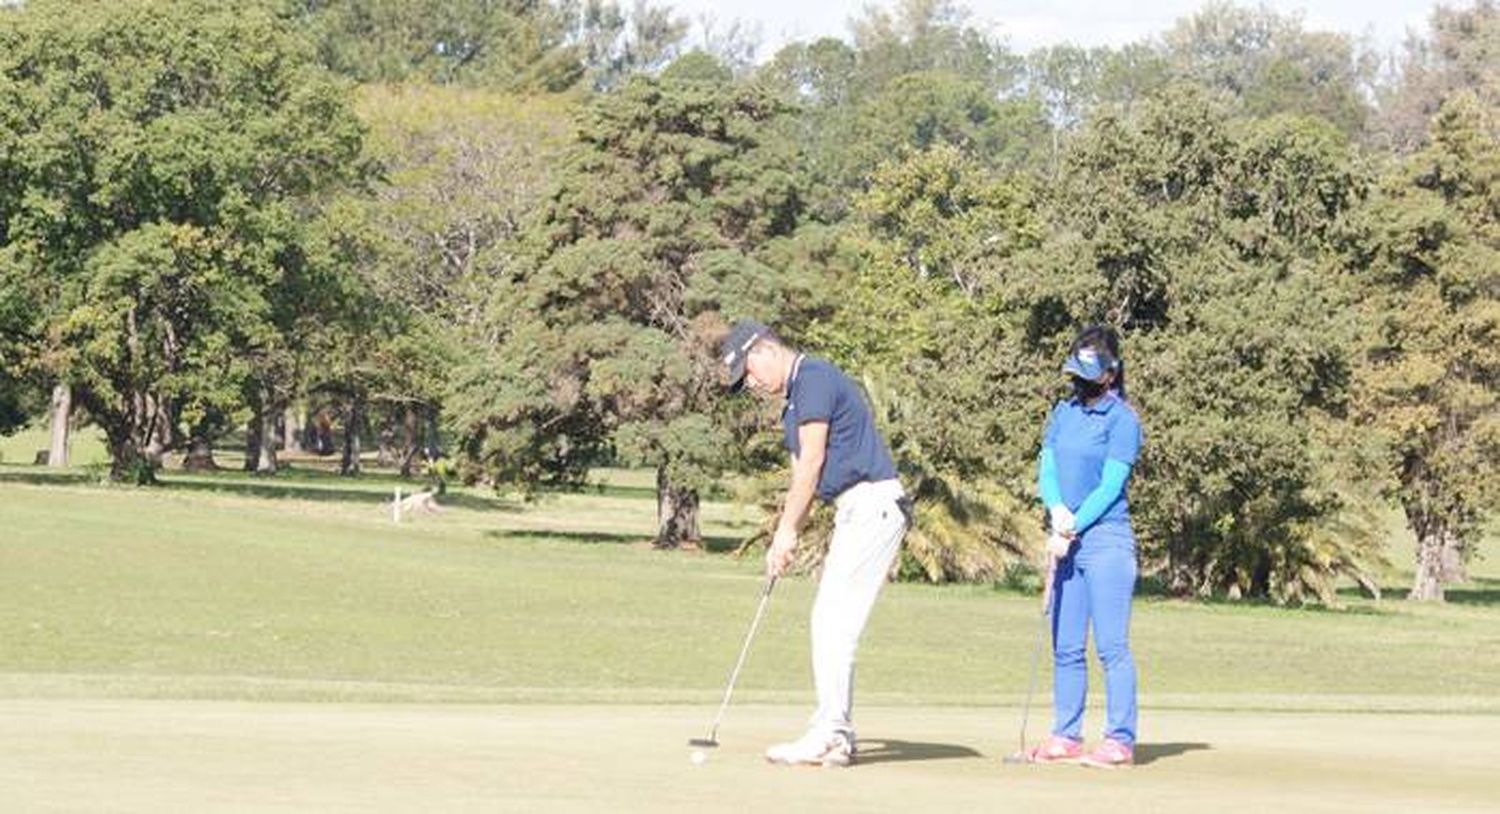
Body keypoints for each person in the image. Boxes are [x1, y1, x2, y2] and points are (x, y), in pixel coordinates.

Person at [719, 319, 910, 768]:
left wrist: (786, 532)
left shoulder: (815, 378)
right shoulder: (793, 403)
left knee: (831, 621)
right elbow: (799, 477)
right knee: (831, 621)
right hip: (855, 510)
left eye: (748, 373)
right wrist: (787, 535)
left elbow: (813, 461)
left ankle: (831, 732)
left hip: (874, 504)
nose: (751, 384)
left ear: (764, 349)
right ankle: (836, 735)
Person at [1029, 325, 1143, 769]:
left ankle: (1119, 739)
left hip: (1107, 540)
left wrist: (1074, 522)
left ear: (1110, 374)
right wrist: (1056, 507)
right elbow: (1048, 468)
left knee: (1112, 646)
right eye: (1074, 372)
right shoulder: (1064, 412)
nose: (1077, 381)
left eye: (1087, 374)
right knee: (1067, 646)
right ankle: (1067, 734)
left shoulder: (1122, 420)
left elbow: (1112, 485)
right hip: (1067, 541)